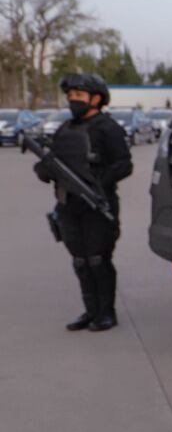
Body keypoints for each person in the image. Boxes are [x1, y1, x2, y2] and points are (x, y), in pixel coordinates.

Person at [35, 73, 133, 332]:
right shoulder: (65, 128)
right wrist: (44, 170)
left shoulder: (108, 128)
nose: (72, 100)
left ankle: (106, 313)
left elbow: (124, 164)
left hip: (97, 205)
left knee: (98, 259)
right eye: (70, 96)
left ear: (96, 98)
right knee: (79, 260)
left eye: (78, 95)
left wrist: (99, 183)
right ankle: (90, 312)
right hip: (68, 205)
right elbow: (52, 162)